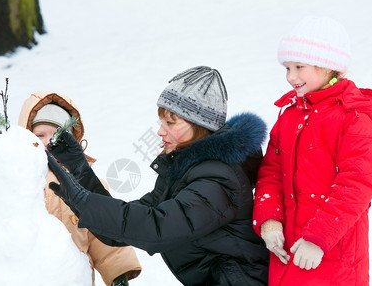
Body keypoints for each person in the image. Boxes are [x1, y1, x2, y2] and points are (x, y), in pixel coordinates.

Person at [46, 66, 270, 285]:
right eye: (162, 121)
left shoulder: (219, 179)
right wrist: (80, 171)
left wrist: (85, 202)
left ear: (199, 125)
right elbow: (123, 226)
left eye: (170, 122)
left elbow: (157, 228)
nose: (160, 131)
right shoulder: (187, 170)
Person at [252, 16, 372, 285]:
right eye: (287, 68)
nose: (291, 77)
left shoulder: (353, 118)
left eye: (299, 66)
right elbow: (271, 174)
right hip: (288, 253)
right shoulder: (289, 116)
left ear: (328, 66)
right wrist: (270, 221)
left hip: (333, 257)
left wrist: (318, 238)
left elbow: (356, 185)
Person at [17, 91, 142, 286]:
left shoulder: (86, 183)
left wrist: (119, 274)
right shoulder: (14, 180)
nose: (49, 142)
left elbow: (106, 232)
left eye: (57, 134)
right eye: (40, 135)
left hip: (75, 278)